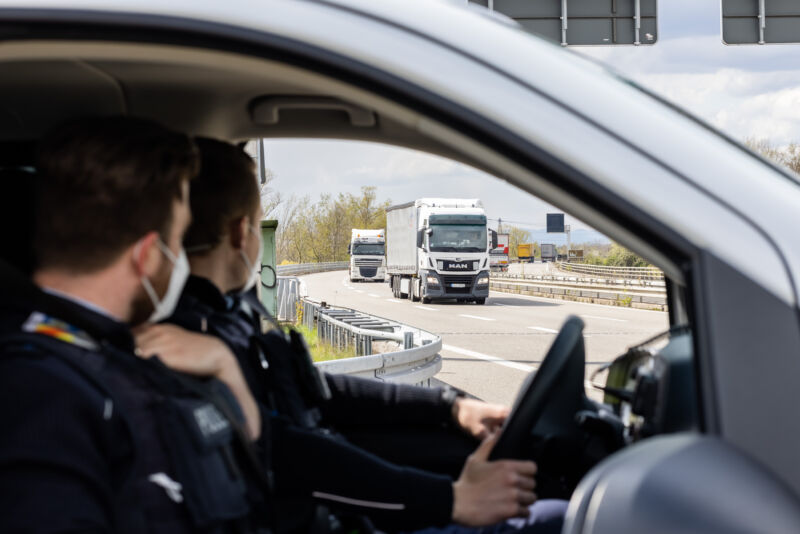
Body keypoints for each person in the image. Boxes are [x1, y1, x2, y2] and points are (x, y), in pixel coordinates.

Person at [134, 137, 566, 533]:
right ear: (240, 233)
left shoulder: (230, 311)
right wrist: (452, 500)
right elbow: (285, 454)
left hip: (329, 502)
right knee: (555, 519)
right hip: (310, 516)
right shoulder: (192, 338)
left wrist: (451, 407)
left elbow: (319, 392)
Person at [0, 118, 267, 533]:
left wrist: (222, 363)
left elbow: (242, 451)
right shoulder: (38, 396)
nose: (181, 258)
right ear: (146, 256)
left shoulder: (97, 345)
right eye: (178, 240)